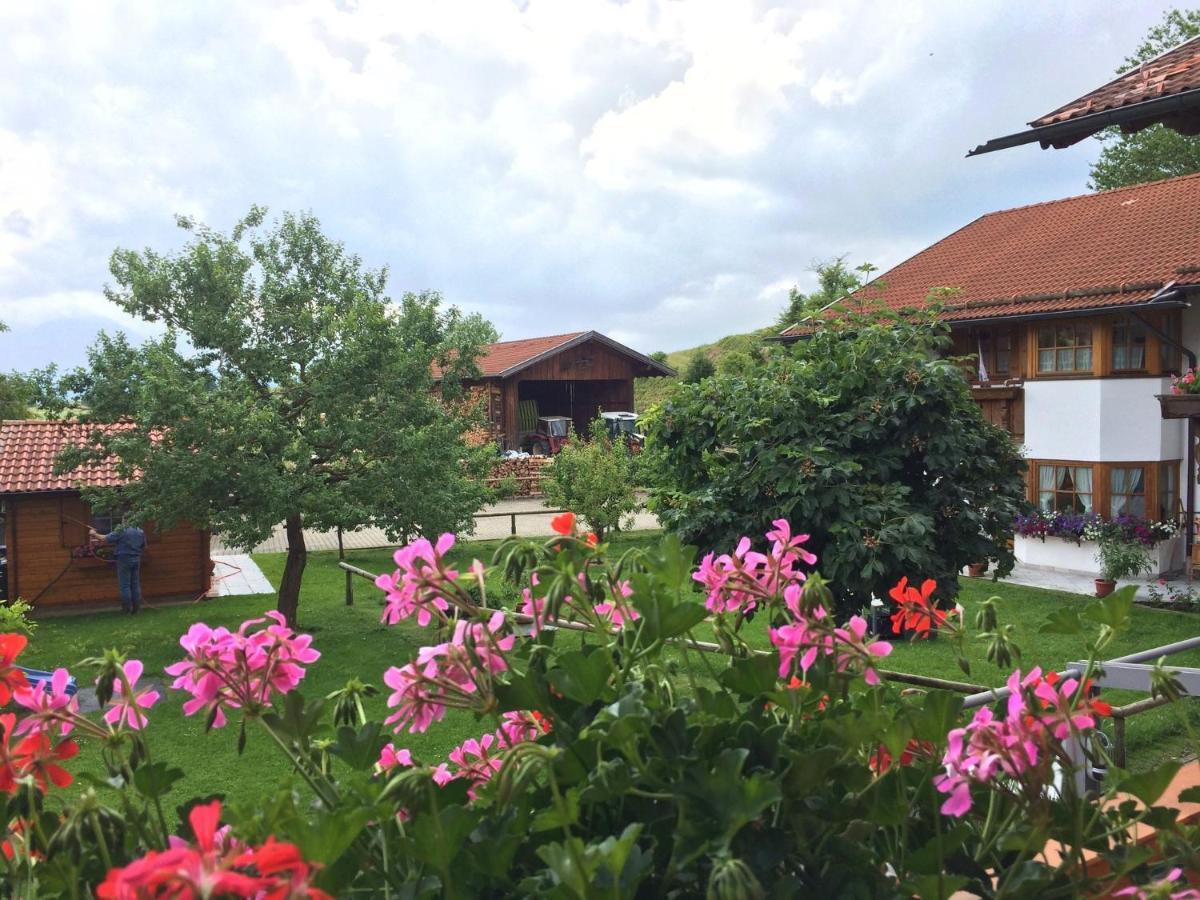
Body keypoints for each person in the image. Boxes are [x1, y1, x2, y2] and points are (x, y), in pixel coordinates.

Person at [89, 523, 147, 614]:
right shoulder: (140, 531)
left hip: (124, 559)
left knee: (125, 585)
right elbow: (143, 546)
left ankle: (126, 610)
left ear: (125, 519)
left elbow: (105, 538)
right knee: (135, 584)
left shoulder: (122, 530)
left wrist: (93, 533)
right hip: (136, 558)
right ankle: (137, 609)